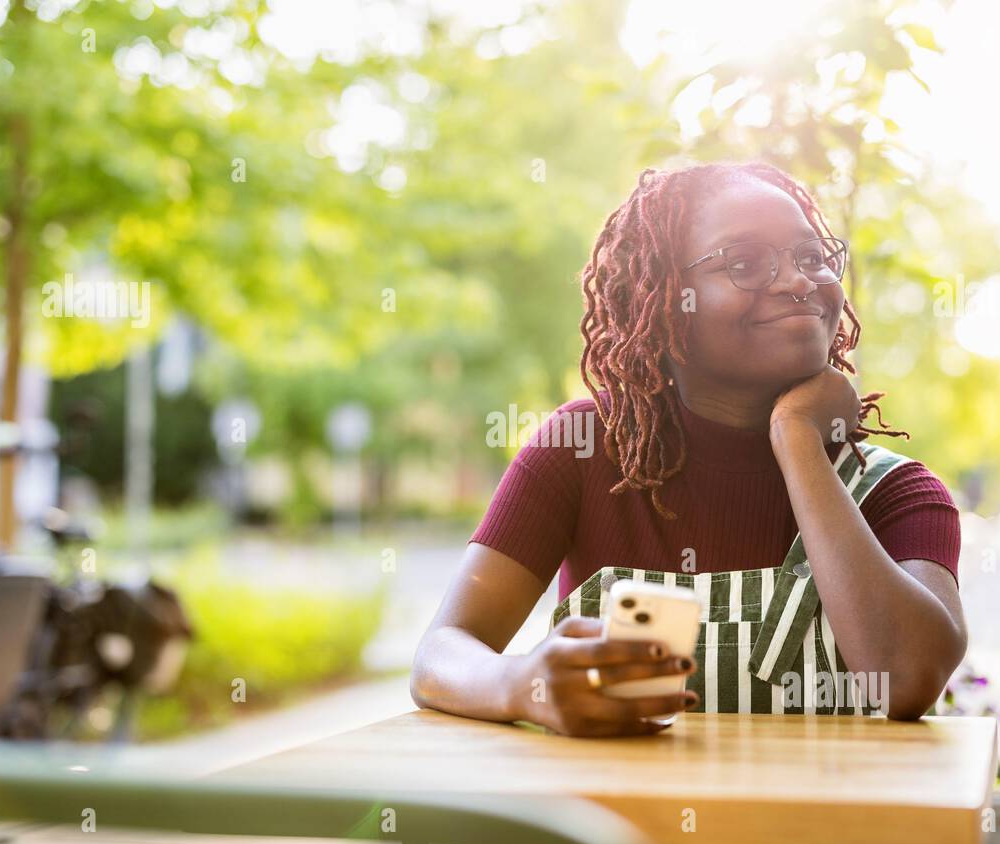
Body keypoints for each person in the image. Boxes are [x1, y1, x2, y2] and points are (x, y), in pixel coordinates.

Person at [411, 160, 967, 738]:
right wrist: (523, 683)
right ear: (664, 299)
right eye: (746, 263)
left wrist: (798, 438)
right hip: (610, 828)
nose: (799, 281)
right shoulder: (580, 451)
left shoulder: (896, 493)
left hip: (817, 829)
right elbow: (440, 656)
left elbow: (908, 678)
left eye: (812, 257)